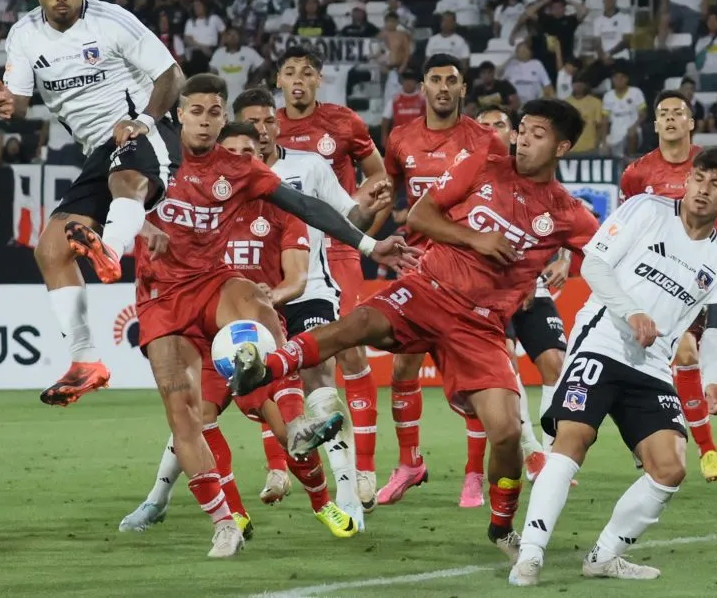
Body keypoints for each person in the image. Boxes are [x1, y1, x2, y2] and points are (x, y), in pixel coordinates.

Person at [257, 98, 600, 558]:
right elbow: (419, 215)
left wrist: (567, 262)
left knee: (504, 432)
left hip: (480, 327)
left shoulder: (568, 212)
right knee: (357, 324)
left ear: (562, 147)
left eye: (538, 135)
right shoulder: (486, 160)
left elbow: (605, 257)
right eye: (523, 130)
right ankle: (266, 366)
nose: (523, 141)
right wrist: (475, 237)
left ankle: (501, 527)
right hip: (429, 289)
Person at [123, 73, 417, 557]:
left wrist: (369, 245)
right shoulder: (149, 157)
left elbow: (304, 204)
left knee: (255, 299)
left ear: (222, 117)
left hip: (213, 286)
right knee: (185, 419)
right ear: (179, 115)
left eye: (214, 111)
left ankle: (300, 430)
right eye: (195, 111)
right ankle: (223, 521)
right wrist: (127, 225)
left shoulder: (237, 169)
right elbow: (115, 194)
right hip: (160, 301)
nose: (204, 120)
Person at [510, 148, 717, 586]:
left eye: (716, 184)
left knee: (670, 467)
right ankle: (530, 554)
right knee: (572, 439)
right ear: (688, 180)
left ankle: (605, 555)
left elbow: (716, 330)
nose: (703, 190)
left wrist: (712, 380)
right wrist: (632, 312)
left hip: (653, 367)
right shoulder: (646, 210)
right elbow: (595, 264)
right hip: (601, 342)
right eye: (699, 178)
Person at [119, 122, 359, 542]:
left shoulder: (279, 209)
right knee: (198, 420)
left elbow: (297, 277)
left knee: (288, 433)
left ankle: (324, 503)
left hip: (252, 330)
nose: (238, 161)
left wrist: (272, 295)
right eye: (232, 152)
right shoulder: (202, 201)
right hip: (207, 332)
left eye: (247, 152)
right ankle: (229, 514)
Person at [0, 0, 185, 407]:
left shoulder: (112, 20)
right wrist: (5, 106)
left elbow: (172, 76)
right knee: (50, 249)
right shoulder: (23, 36)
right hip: (96, 153)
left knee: (125, 177)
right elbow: (18, 103)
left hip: (142, 130)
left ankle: (112, 250)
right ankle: (85, 360)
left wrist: (145, 120)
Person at [238, 86, 392, 526]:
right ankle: (164, 495)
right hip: (248, 300)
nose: (264, 130)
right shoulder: (224, 178)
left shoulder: (309, 165)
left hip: (311, 289)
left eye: (270, 121)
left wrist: (368, 215)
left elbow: (347, 219)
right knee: (219, 396)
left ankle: (346, 491)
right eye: (253, 122)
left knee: (319, 378)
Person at [377, 54, 510, 510]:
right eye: (435, 79)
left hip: (469, 271)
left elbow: (508, 201)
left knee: (475, 378)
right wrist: (374, 236)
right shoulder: (400, 139)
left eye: (452, 81)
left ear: (463, 89)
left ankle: (474, 476)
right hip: (417, 268)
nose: (443, 88)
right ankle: (409, 462)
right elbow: (389, 193)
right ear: (424, 88)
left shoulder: (486, 141)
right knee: (402, 369)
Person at [620, 90, 717, 484]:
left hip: (712, 281)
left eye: (678, 113)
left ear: (690, 122)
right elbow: (626, 224)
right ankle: (707, 450)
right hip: (667, 285)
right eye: (663, 113)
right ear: (654, 124)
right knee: (685, 354)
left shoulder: (710, 164)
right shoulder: (636, 174)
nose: (670, 119)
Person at [273, 46, 393, 507]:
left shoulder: (344, 123)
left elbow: (378, 181)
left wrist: (361, 233)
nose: (298, 79)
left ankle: (364, 469)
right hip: (281, 252)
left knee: (351, 350)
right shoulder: (267, 126)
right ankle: (285, 464)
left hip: (336, 249)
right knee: (290, 355)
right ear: (279, 81)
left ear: (319, 80)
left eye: (307, 72)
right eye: (289, 72)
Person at [477, 104, 571, 469]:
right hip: (482, 291)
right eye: (482, 124)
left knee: (556, 364)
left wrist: (563, 258)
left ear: (512, 134)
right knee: (505, 361)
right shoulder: (473, 172)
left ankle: (553, 457)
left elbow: (568, 221)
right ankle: (532, 452)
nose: (491, 131)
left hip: (530, 285)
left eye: (498, 124)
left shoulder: (539, 176)